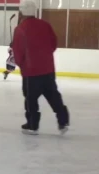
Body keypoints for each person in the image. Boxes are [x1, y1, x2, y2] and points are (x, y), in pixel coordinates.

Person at [12, 0, 69, 135]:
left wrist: (23, 65)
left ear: (22, 12)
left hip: (31, 72)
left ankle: (33, 124)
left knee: (30, 99)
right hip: (48, 70)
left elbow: (18, 52)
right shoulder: (45, 25)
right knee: (53, 95)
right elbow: (53, 44)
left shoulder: (20, 28)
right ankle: (63, 121)